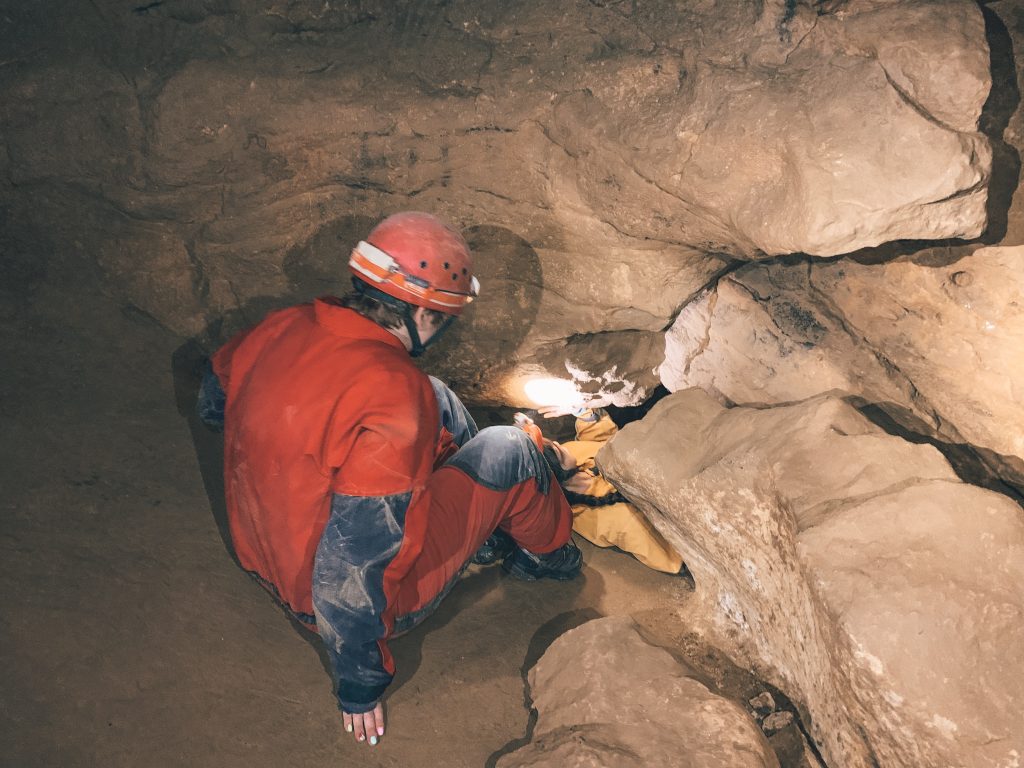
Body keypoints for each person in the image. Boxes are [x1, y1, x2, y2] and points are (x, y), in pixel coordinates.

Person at [197, 211, 582, 747]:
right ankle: (548, 555)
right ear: (424, 313)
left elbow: (214, 403)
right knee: (510, 447)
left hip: (265, 554)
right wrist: (360, 685)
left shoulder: (282, 325)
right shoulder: (393, 394)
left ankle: (489, 527)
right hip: (335, 602)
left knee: (436, 395)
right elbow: (351, 568)